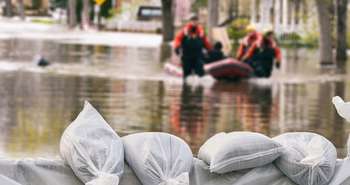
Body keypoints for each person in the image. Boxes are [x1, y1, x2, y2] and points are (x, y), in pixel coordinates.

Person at [174, 14, 212, 80]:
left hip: (198, 55)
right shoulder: (185, 30)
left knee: (200, 72)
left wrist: (210, 50)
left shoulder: (201, 31)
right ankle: (186, 88)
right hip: (187, 56)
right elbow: (178, 39)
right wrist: (177, 47)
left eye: (196, 20)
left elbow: (205, 41)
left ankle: (200, 88)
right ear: (190, 21)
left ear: (197, 21)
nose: (194, 22)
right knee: (186, 74)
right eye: (193, 20)